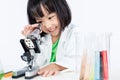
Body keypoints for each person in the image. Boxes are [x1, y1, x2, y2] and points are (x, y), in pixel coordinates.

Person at [21, 0, 79, 77]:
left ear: (61, 10)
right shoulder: (43, 39)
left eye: (50, 17)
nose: (47, 26)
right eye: (40, 22)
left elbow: (79, 60)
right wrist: (31, 41)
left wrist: (56, 66)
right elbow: (36, 64)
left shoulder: (75, 33)